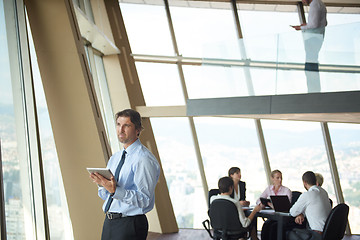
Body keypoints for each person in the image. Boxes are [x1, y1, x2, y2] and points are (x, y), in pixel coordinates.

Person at [89, 109, 160, 240]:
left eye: (126, 125)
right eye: (118, 124)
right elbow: (106, 195)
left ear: (138, 129)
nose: (120, 130)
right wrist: (103, 184)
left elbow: (145, 199)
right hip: (110, 222)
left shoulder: (143, 159)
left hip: (130, 224)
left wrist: (115, 190)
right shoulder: (115, 158)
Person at [291, 0, 327, 93]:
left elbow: (314, 25)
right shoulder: (320, 3)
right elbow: (324, 23)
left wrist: (300, 28)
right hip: (318, 37)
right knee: (312, 63)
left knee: (310, 65)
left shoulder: (315, 4)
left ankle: (313, 90)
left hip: (313, 38)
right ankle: (314, 89)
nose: (302, 1)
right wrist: (307, 25)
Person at [287, 171, 332, 240]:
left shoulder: (307, 195)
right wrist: (301, 213)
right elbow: (313, 208)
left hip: (317, 234)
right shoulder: (323, 192)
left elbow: (292, 212)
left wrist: (299, 213)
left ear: (304, 182)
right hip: (329, 232)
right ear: (315, 180)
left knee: (288, 233)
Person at [257, 170, 292, 240]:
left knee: (273, 227)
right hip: (273, 217)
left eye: (281, 178)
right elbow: (258, 200)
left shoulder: (287, 191)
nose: (280, 180)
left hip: (283, 218)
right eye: (277, 178)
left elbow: (287, 206)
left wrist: (274, 206)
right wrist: (262, 204)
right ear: (272, 178)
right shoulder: (269, 189)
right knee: (265, 226)